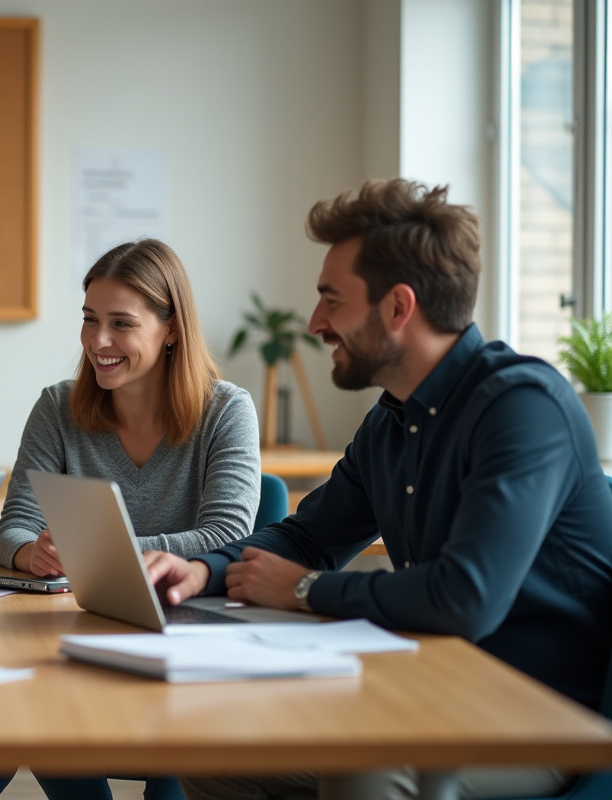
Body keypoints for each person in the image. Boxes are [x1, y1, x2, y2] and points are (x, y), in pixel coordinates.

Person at [146, 179, 612, 800]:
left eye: (331, 301)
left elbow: (464, 598)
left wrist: (307, 590)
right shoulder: (392, 420)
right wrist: (204, 570)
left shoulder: (522, 408)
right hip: (426, 690)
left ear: (398, 307)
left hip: (537, 718)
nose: (315, 323)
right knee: (220, 749)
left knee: (368, 768)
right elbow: (308, 534)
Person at [0, 239, 261, 800]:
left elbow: (227, 534)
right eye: (90, 319)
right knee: (29, 704)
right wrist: (31, 553)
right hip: (78, 631)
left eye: (121, 323)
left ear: (171, 331)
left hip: (185, 638)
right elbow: (12, 528)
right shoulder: (58, 408)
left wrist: (103, 548)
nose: (99, 341)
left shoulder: (227, 410)